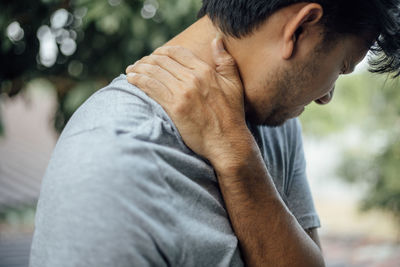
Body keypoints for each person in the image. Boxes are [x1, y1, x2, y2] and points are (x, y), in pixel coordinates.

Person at [30, 1, 400, 266]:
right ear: (300, 28)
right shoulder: (107, 162)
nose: (326, 96)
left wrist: (238, 157)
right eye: (342, 67)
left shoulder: (276, 120)